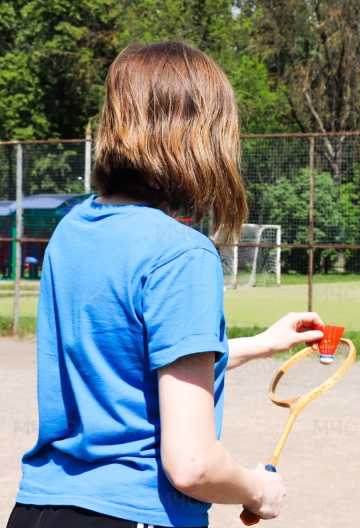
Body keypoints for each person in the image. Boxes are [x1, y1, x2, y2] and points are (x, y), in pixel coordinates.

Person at [7, 42, 325, 528]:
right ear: (203, 135)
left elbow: (129, 358)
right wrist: (257, 487)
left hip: (37, 510)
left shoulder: (74, 228)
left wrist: (262, 344)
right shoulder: (182, 253)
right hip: (133, 515)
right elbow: (193, 466)